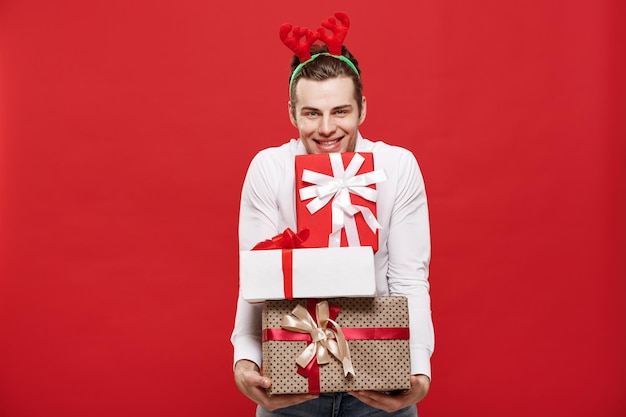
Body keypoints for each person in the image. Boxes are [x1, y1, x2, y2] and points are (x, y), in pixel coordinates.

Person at [231, 12, 434, 417]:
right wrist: (245, 358)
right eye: (311, 114)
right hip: (291, 378)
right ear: (293, 114)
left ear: (362, 108)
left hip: (379, 378)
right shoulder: (269, 168)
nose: (326, 129)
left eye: (340, 111)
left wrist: (418, 369)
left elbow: (409, 276)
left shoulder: (397, 166)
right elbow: (257, 275)